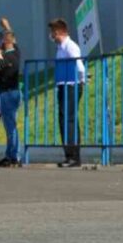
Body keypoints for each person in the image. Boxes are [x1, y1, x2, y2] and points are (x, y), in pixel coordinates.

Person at [50, 18, 86, 168]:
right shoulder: (60, 48)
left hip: (72, 85)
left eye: (52, 32)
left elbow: (80, 66)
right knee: (63, 119)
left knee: (69, 120)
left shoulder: (70, 47)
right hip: (63, 85)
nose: (51, 35)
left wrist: (81, 81)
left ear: (59, 32)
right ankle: (68, 154)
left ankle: (74, 156)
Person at [0, 28, 21, 167]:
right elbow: (13, 41)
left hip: (7, 93)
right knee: (12, 125)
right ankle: (13, 153)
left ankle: (12, 155)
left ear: (5, 41)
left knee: (10, 126)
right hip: (15, 92)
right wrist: (6, 27)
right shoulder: (16, 53)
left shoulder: (4, 58)